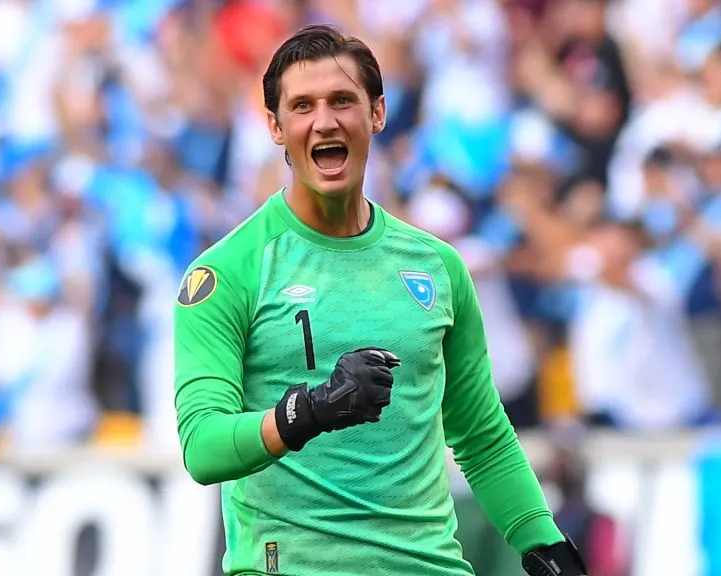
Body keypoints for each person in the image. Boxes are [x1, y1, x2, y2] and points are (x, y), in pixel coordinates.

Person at [173, 25, 588, 576]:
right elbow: (202, 447)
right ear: (275, 126)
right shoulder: (226, 273)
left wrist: (547, 547)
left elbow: (483, 437)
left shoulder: (438, 267)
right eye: (302, 106)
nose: (324, 121)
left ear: (378, 113)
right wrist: (310, 411)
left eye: (342, 100)